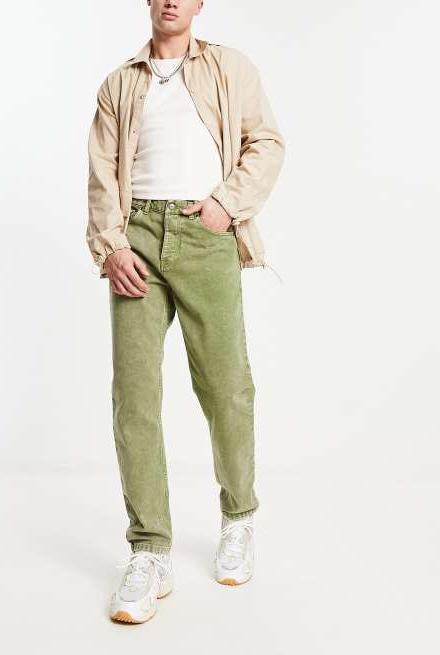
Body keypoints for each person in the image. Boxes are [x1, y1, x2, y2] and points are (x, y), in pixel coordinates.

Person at [86, 0, 285, 624]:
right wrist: (112, 246)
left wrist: (228, 203)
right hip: (137, 240)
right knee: (135, 397)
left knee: (227, 387)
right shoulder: (120, 83)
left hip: (206, 234)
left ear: (200, 4)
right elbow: (101, 174)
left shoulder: (230, 67)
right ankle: (149, 550)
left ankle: (239, 517)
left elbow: (266, 142)